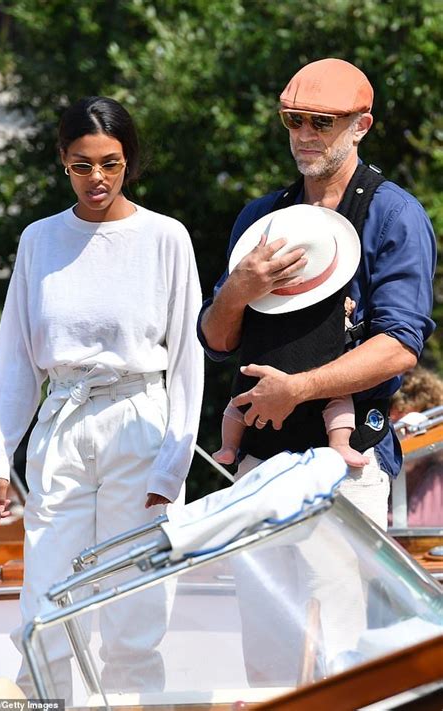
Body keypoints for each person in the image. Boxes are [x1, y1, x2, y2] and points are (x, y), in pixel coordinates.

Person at [197, 58, 436, 684]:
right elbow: (217, 342)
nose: (304, 134)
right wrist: (237, 289)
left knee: (341, 656)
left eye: (321, 122)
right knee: (269, 660)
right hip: (259, 463)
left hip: (345, 461)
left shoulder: (395, 215)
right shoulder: (260, 217)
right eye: (293, 120)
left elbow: (400, 345)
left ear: (361, 126)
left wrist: (298, 388)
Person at [0, 96, 204, 698]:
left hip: (140, 421)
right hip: (62, 422)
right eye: (83, 165)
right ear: (63, 162)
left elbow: (187, 357)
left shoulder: (165, 238)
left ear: (128, 161)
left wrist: (175, 460)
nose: (97, 178)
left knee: (136, 605)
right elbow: (16, 359)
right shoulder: (39, 240)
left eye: (110, 163)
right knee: (46, 600)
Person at [213, 296, 369, 468]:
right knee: (241, 397)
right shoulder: (266, 299)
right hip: (280, 369)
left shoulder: (326, 299)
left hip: (310, 373)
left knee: (239, 401)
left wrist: (343, 312)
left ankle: (228, 446)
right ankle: (340, 444)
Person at [390, 365, 443, 527]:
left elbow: (416, 528)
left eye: (410, 427)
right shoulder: (379, 471)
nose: (403, 436)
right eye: (395, 425)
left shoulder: (436, 476)